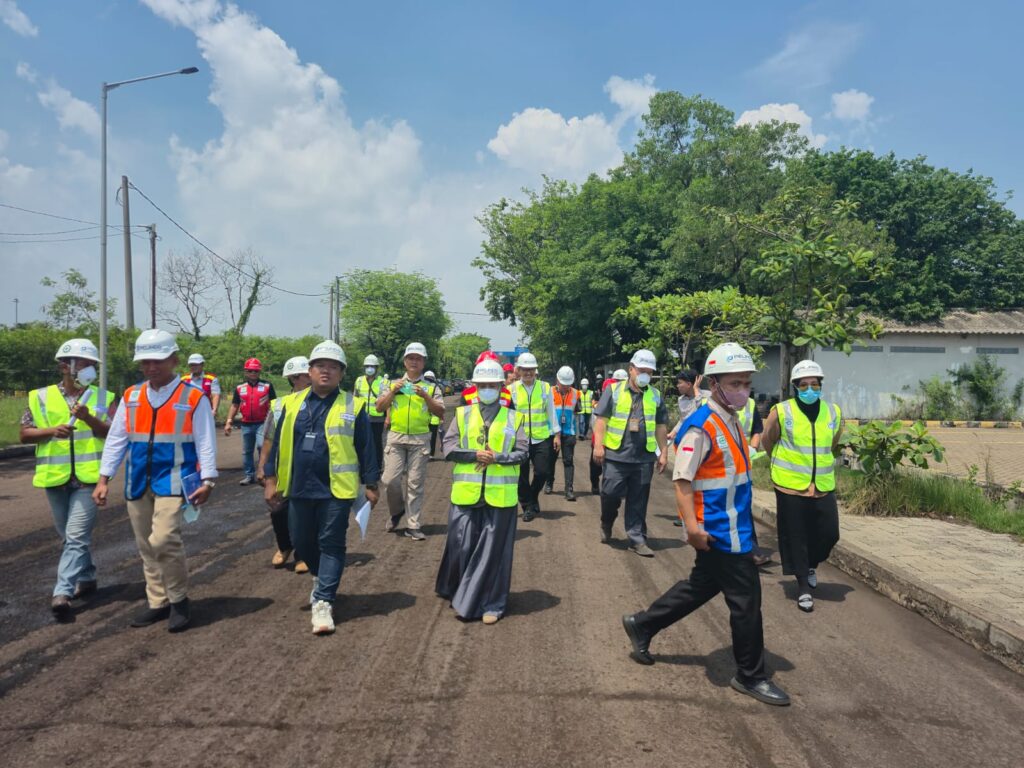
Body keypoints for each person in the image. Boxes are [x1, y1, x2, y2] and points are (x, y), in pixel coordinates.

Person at [620, 342, 790, 707]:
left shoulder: (731, 419)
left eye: (746, 383)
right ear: (714, 384)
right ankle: (751, 675)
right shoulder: (701, 426)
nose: (743, 390)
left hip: (734, 527)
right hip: (718, 531)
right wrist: (693, 528)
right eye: (735, 383)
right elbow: (682, 481)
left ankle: (643, 624)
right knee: (746, 603)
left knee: (699, 588)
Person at [93, 329, 218, 633]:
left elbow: (205, 441)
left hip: (174, 480)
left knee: (163, 539)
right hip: (138, 480)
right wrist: (103, 478)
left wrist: (208, 479)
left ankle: (179, 600)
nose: (151, 367)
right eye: (145, 362)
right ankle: (158, 601)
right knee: (146, 546)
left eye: (157, 361)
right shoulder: (132, 395)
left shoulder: (193, 397)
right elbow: (117, 438)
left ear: (174, 360)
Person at [263, 341, 380, 635]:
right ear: (310, 370)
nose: (326, 371)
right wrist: (270, 479)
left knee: (331, 543)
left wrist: (371, 483)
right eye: (320, 366)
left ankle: (324, 601)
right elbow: (276, 445)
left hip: (336, 490)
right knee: (301, 542)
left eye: (333, 367)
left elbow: (367, 447)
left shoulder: (353, 405)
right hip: (298, 487)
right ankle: (321, 577)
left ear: (341, 373)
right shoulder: (289, 405)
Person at [20, 338, 114, 619]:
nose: (89, 368)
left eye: (92, 364)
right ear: (65, 366)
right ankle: (87, 577)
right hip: (55, 477)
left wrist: (88, 419)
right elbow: (25, 433)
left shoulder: (104, 397)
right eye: (83, 363)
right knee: (68, 537)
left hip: (89, 479)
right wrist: (51, 431)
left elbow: (112, 432)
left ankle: (62, 592)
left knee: (75, 536)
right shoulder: (39, 396)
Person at [435, 359, 527, 624]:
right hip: (467, 493)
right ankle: (458, 589)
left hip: (500, 498)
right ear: (475, 387)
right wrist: (474, 454)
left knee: (492, 553)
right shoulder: (462, 415)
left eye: (492, 385)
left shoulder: (514, 418)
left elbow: (522, 452)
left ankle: (490, 604)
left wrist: (497, 457)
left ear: (501, 387)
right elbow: (448, 447)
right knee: (461, 544)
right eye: (483, 385)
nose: (487, 389)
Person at [760, 359, 843, 613]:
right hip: (789, 484)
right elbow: (768, 440)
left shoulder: (833, 412)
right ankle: (803, 586)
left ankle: (810, 565)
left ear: (821, 386)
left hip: (822, 484)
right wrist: (781, 462)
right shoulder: (782, 411)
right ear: (795, 387)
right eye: (804, 385)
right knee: (795, 535)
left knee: (829, 533)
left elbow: (833, 443)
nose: (809, 389)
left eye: (814, 384)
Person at [592, 351, 668, 557]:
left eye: (649, 372)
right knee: (610, 494)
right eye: (642, 371)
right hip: (616, 455)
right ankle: (607, 521)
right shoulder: (613, 390)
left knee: (638, 499)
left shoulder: (655, 395)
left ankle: (637, 539)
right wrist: (598, 446)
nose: (645, 375)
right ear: (631, 369)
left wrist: (663, 452)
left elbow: (661, 426)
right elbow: (601, 420)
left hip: (643, 457)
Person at [375, 342, 445, 541]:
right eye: (411, 358)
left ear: (423, 362)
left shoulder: (431, 387)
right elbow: (379, 407)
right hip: (396, 437)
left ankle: (413, 525)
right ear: (405, 361)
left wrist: (425, 396)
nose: (414, 361)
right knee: (389, 480)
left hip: (420, 439)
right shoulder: (392, 384)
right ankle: (397, 511)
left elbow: (440, 412)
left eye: (418, 359)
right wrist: (392, 392)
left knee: (415, 484)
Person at [256, 356, 312, 573]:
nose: (309, 378)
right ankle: (285, 545)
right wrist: (262, 466)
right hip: (282, 467)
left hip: (308, 466)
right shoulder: (279, 405)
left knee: (305, 512)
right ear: (293, 378)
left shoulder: (318, 403)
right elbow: (268, 439)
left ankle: (303, 554)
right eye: (304, 376)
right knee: (278, 509)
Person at [508, 352, 560, 522]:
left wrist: (557, 434)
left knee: (543, 472)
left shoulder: (545, 387)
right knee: (521, 477)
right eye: (525, 369)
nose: (528, 372)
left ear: (536, 370)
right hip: (520, 440)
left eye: (531, 369)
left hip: (541, 437)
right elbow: (506, 415)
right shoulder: (511, 389)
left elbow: (551, 411)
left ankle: (533, 496)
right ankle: (528, 506)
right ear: (519, 370)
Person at [224, 358, 276, 485]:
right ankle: (249, 475)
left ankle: (263, 472)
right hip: (246, 424)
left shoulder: (267, 386)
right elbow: (235, 405)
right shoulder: (240, 387)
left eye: (256, 371)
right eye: (250, 371)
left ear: (259, 372)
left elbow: (275, 403)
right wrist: (229, 421)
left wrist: (274, 420)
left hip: (262, 423)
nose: (253, 373)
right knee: (247, 451)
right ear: (246, 372)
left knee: (261, 446)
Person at [546, 365, 580, 501]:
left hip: (568, 432)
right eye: (563, 383)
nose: (566, 386)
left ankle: (569, 490)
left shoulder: (576, 393)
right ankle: (549, 483)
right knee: (550, 460)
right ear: (557, 380)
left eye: (568, 384)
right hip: (552, 433)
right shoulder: (549, 392)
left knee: (568, 461)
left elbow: (576, 411)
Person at [353, 354, 388, 472]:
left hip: (377, 418)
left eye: (372, 366)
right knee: (361, 442)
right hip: (362, 417)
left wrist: (388, 417)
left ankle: (378, 466)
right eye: (367, 366)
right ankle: (363, 465)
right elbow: (355, 398)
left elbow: (388, 401)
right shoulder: (359, 380)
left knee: (376, 443)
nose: (369, 368)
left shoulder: (383, 381)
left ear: (376, 368)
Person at [424, 370, 442, 456]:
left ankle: (425, 452)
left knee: (423, 437)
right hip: (434, 417)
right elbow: (439, 404)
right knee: (432, 437)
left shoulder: (421, 387)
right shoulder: (436, 388)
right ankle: (431, 454)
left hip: (423, 417)